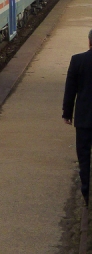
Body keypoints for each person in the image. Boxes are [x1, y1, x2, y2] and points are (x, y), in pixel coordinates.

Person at [62, 30, 92, 205]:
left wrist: (67, 113)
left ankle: (86, 190)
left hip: (84, 118)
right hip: (84, 117)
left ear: (89, 42)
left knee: (84, 154)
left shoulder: (77, 60)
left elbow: (70, 90)